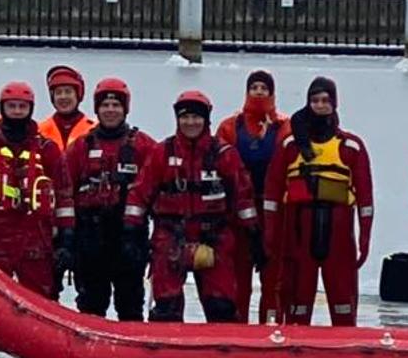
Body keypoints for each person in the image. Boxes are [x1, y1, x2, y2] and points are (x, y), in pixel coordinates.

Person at [0, 82, 72, 358]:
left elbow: (64, 197)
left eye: (22, 107)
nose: (17, 112)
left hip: (36, 239)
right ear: (2, 108)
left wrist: (67, 238)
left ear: (30, 109)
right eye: (11, 106)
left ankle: (40, 356)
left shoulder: (48, 150)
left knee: (41, 300)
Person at [131, 90, 257, 323]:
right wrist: (130, 230)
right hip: (170, 237)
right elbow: (139, 193)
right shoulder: (162, 153)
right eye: (185, 117)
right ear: (177, 119)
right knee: (167, 306)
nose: (191, 122)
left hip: (214, 237)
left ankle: (224, 352)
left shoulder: (224, 155)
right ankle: (166, 350)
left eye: (196, 117)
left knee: (221, 305)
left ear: (206, 120)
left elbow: (243, 197)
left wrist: (253, 234)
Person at [263, 77, 374, 327]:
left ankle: (345, 351)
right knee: (297, 304)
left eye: (325, 100)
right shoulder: (290, 145)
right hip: (299, 232)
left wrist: (365, 238)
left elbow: (366, 198)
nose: (320, 105)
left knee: (343, 304)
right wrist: (270, 237)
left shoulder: (351, 146)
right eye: (315, 100)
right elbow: (272, 193)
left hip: (339, 234)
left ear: (334, 104)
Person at [64, 77, 158, 321]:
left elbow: (159, 189)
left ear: (125, 109)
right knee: (91, 305)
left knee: (130, 305)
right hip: (90, 238)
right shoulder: (80, 148)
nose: (110, 110)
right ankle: (88, 356)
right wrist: (67, 238)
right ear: (97, 109)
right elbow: (64, 192)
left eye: (116, 105)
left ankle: (133, 354)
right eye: (105, 105)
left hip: (129, 238)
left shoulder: (144, 145)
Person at [215, 69, 289, 323]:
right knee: (239, 275)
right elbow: (219, 166)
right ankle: (238, 325)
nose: (259, 92)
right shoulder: (229, 126)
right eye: (254, 87)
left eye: (264, 88)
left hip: (273, 213)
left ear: (272, 93)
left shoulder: (284, 126)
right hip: (238, 212)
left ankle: (270, 326)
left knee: (272, 276)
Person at [38, 65, 93, 152]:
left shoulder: (93, 130)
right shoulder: (40, 131)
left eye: (68, 91)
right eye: (58, 92)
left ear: (78, 94)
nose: (63, 97)